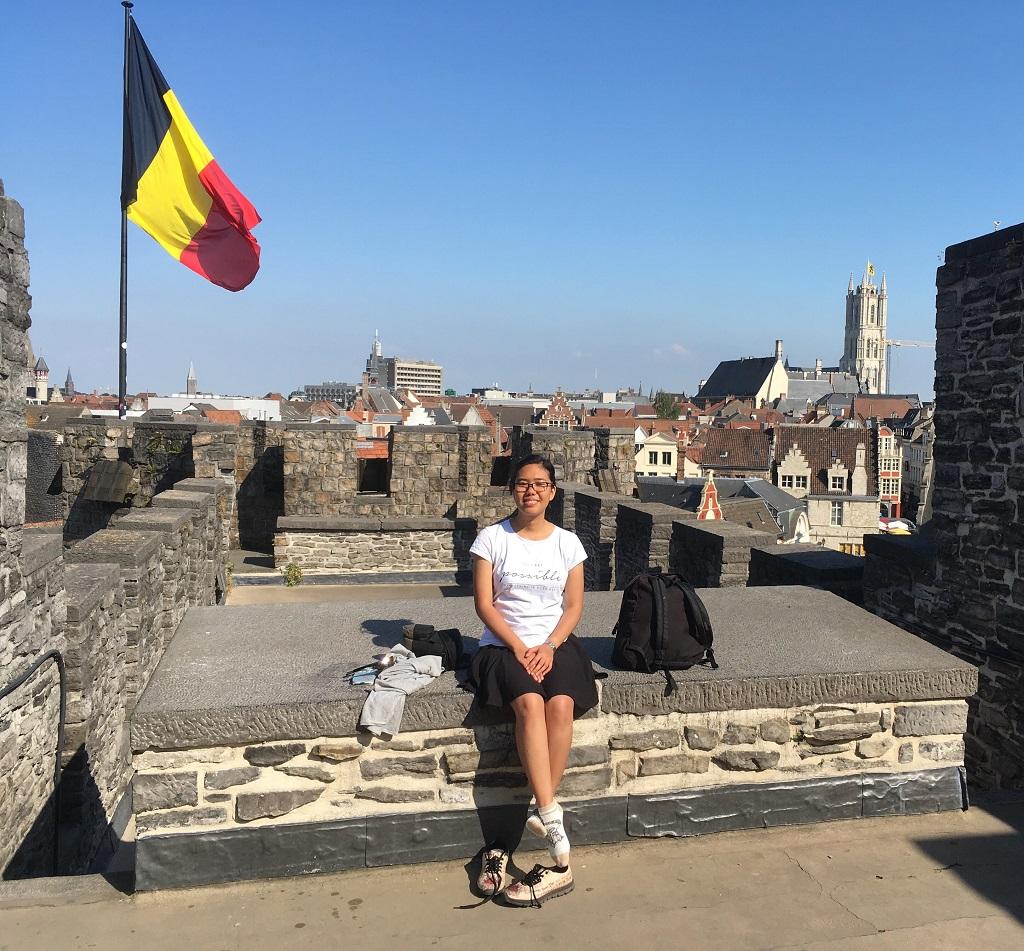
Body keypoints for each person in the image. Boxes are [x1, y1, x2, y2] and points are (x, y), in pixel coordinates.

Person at [468, 453, 598, 907]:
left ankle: (545, 809)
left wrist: (549, 646)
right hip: (504, 645)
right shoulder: (492, 539)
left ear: (552, 492)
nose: (531, 491)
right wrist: (521, 647)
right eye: (523, 483)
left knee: (560, 705)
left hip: (555, 643)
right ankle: (550, 814)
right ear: (512, 490)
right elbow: (485, 605)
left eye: (540, 484)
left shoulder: (568, 543)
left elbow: (574, 606)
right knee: (529, 703)